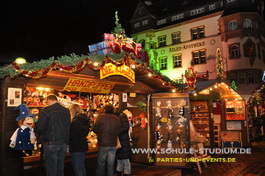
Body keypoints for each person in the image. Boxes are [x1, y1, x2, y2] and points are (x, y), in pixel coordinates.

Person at [35, 94, 71, 176]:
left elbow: (40, 127)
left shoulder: (46, 111)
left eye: (46, 101)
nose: (46, 103)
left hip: (50, 143)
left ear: (49, 100)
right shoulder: (66, 110)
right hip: (63, 143)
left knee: (51, 169)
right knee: (60, 167)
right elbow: (69, 125)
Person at [93, 104, 121, 176]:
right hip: (113, 143)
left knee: (101, 164)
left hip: (103, 143)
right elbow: (119, 131)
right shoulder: (117, 118)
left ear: (104, 110)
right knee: (110, 164)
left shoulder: (100, 117)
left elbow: (95, 129)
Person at [69, 104, 90, 176]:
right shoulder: (85, 120)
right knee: (82, 167)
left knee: (78, 168)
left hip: (76, 146)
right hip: (83, 145)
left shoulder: (75, 121)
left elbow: (72, 134)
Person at [116, 109, 132, 176]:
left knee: (124, 159)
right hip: (122, 140)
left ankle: (124, 173)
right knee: (121, 159)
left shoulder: (121, 116)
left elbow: (125, 128)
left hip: (122, 140)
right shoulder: (121, 116)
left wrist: (116, 131)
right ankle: (122, 172)